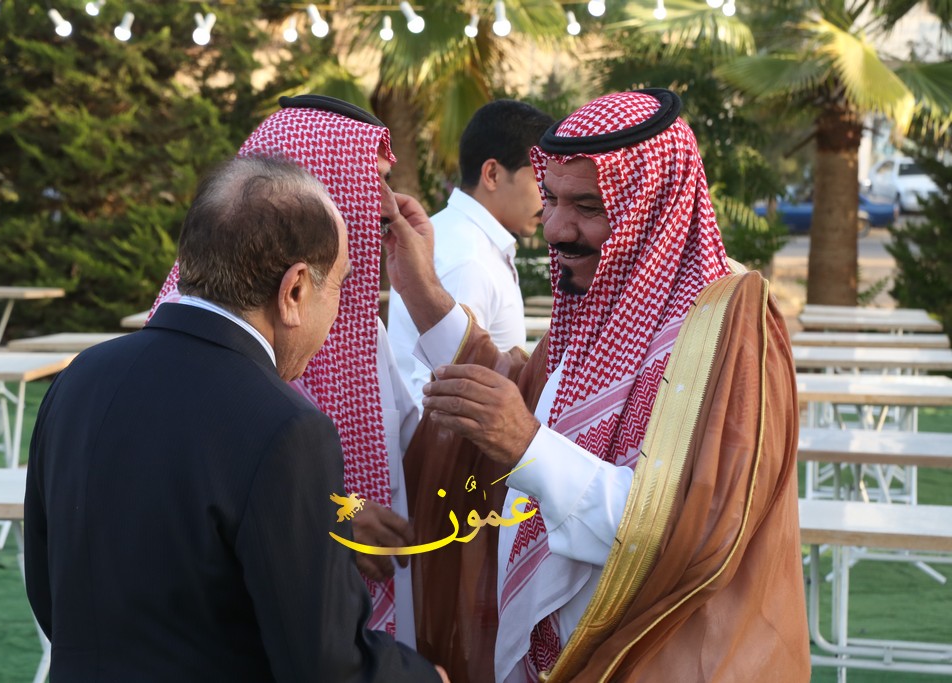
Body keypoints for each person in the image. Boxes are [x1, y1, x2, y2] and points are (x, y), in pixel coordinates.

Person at [385, 89, 810, 682]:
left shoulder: (731, 331)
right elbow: (525, 400)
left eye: (587, 206)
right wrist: (420, 289)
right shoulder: (597, 306)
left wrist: (527, 447)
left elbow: (696, 528)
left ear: (652, 209)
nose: (556, 228)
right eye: (552, 200)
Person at [24, 156, 446, 682]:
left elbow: (48, 593)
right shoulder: (288, 428)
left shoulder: (81, 377)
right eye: (339, 285)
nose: (338, 312)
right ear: (295, 290)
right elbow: (326, 664)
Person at [148, 95, 420, 646]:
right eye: (373, 182)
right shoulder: (195, 342)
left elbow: (410, 440)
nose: (389, 206)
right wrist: (329, 526)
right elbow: (190, 489)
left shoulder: (359, 328)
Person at [387, 100, 554, 408]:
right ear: (492, 174)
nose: (549, 196)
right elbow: (440, 397)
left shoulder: (466, 241)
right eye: (540, 179)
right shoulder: (467, 259)